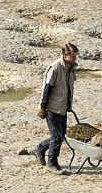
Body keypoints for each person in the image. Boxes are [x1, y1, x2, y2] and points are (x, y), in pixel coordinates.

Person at [34, 42, 79, 175]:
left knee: (61, 136)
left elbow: (69, 87)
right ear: (65, 55)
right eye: (73, 55)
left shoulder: (71, 68)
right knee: (56, 137)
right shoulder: (55, 68)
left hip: (63, 107)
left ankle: (40, 148)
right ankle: (52, 164)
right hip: (52, 108)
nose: (75, 58)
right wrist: (43, 107)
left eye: (76, 55)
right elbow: (46, 88)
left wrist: (68, 105)